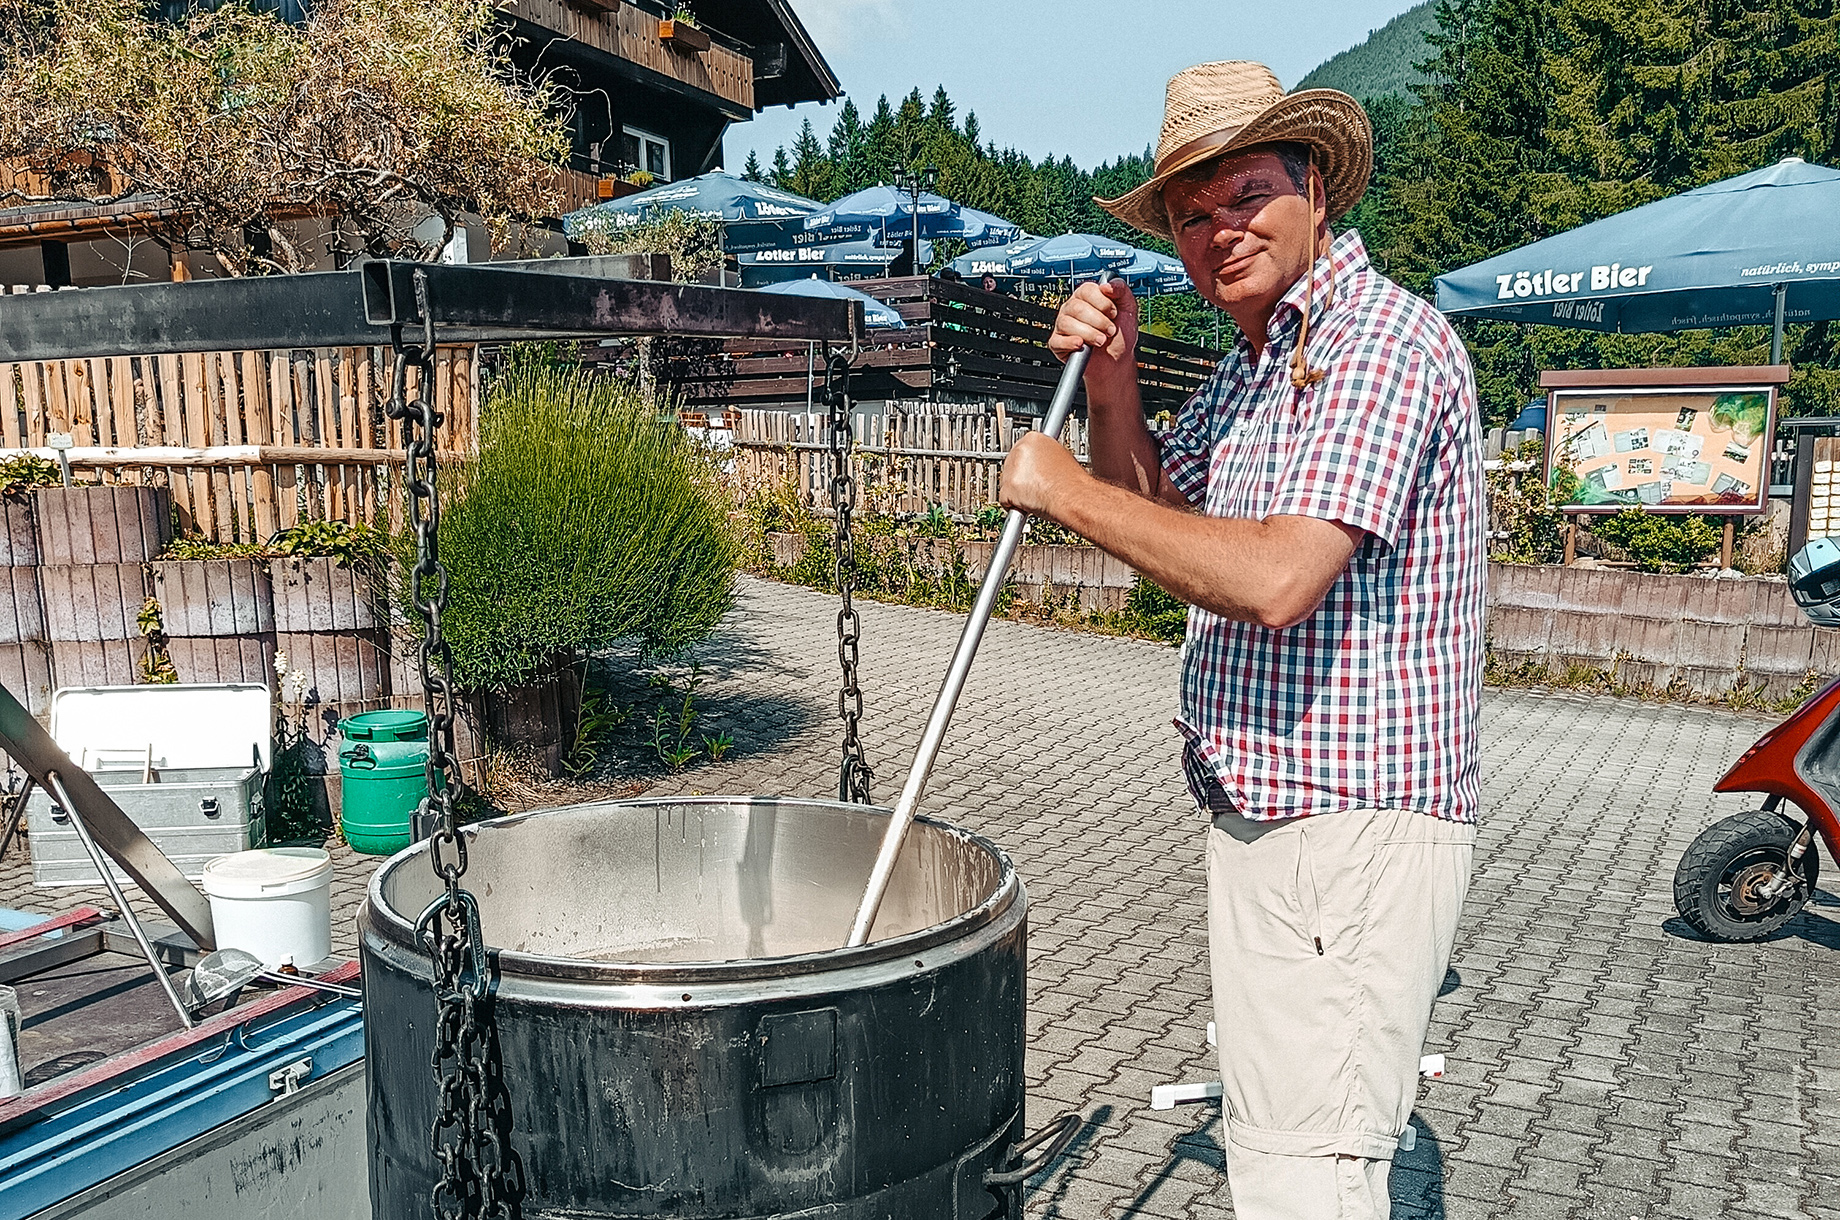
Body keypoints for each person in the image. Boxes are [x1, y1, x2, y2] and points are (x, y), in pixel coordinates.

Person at [998, 61, 1483, 1220]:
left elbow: (1272, 580)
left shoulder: (1381, 341)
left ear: (1317, 189)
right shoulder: (1255, 368)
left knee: (1305, 1180)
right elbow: (1162, 513)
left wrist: (1061, 492)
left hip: (1350, 826)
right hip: (1266, 810)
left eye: (1248, 192)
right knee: (1278, 1146)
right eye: (1190, 211)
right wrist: (1112, 393)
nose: (1219, 229)